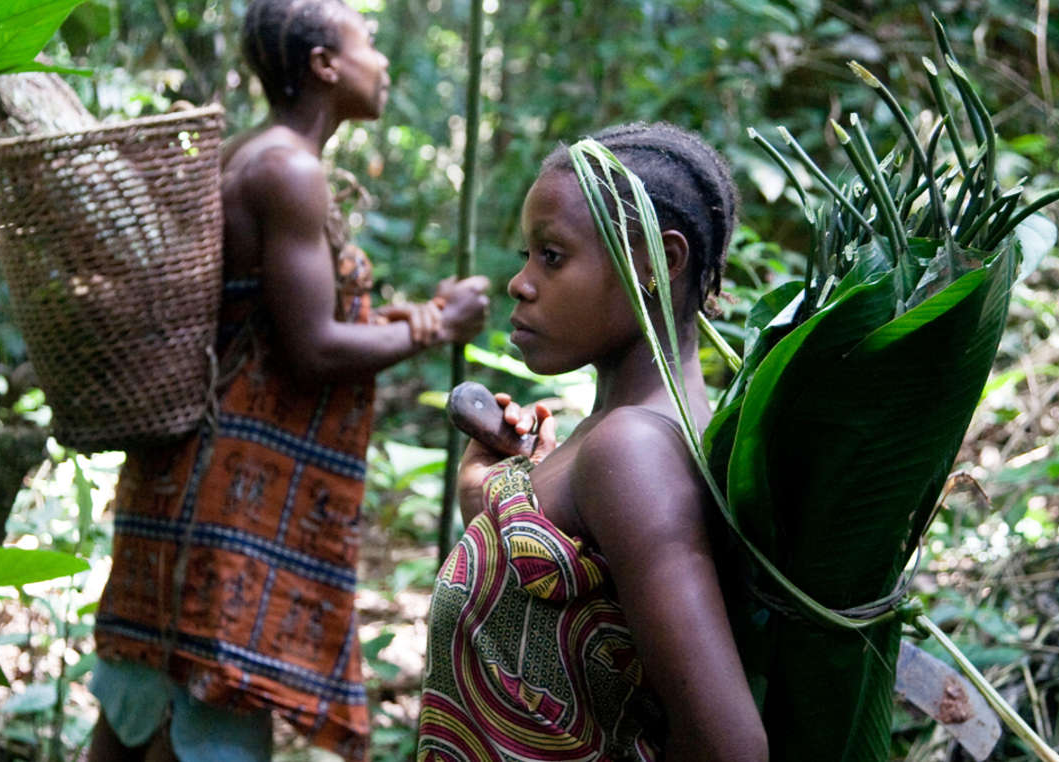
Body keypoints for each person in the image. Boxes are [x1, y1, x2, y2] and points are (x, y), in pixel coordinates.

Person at [88, 1, 490, 760]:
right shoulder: (288, 168)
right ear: (323, 66)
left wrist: (408, 314)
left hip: (184, 484)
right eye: (368, 43)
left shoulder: (248, 153)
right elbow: (311, 348)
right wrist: (436, 323)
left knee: (139, 715)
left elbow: (262, 322)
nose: (384, 61)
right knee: (203, 718)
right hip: (227, 500)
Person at [417, 122, 768, 761]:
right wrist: (497, 500)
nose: (519, 283)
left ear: (652, 263)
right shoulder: (614, 434)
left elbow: (730, 747)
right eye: (528, 256)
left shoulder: (631, 449)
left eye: (551, 256)